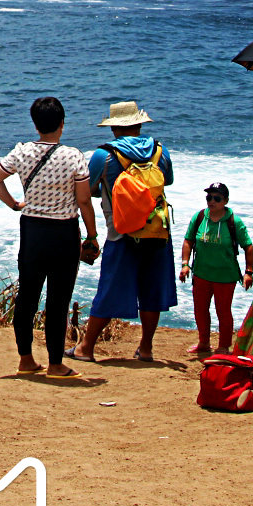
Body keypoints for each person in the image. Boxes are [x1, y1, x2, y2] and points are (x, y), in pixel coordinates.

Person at [0, 96, 98, 377]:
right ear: (62, 124)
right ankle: (55, 364)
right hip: (63, 232)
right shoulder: (73, 156)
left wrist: (14, 204)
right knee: (58, 301)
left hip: (32, 230)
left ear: (36, 125)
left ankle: (25, 360)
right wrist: (92, 235)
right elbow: (84, 200)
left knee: (27, 296)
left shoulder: (22, 152)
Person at [71, 101, 176, 364]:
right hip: (157, 229)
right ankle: (147, 348)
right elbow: (168, 180)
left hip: (121, 232)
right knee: (152, 291)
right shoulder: (160, 152)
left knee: (109, 289)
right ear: (139, 124)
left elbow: (90, 189)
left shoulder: (103, 156)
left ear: (114, 128)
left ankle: (86, 348)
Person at [178, 182, 253, 356]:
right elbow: (188, 240)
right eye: (209, 197)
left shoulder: (233, 221)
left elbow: (248, 247)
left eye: (216, 198)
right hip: (201, 274)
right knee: (200, 309)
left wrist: (248, 273)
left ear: (225, 201)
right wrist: (185, 264)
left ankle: (223, 346)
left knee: (223, 311)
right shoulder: (199, 218)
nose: (211, 201)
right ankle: (203, 342)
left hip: (225, 276)